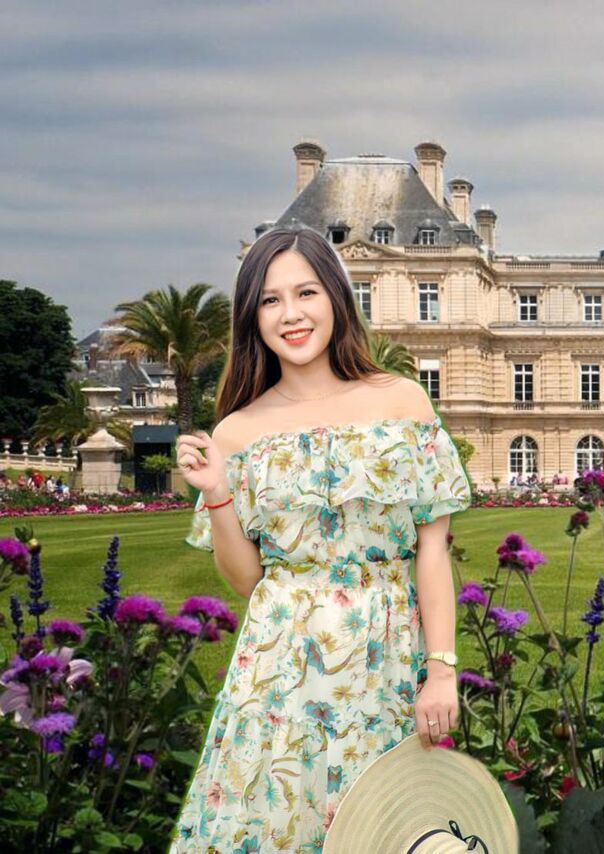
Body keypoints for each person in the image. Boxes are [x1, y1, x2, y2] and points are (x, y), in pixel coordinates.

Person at [172, 226, 472, 853]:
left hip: (386, 658)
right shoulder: (236, 431)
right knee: (277, 824)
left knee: (384, 830)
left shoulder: (403, 403)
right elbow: (247, 581)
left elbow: (432, 551)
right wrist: (217, 491)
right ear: (252, 317)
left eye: (305, 292)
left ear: (336, 296)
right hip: (279, 664)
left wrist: (441, 670)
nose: (291, 314)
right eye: (270, 299)